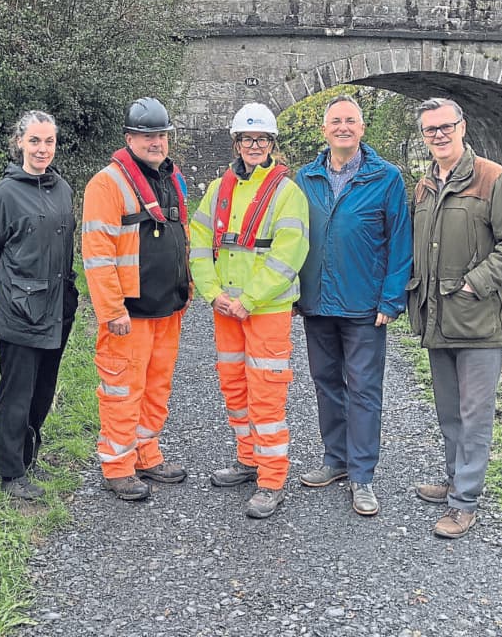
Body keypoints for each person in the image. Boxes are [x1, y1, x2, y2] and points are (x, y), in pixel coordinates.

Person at [408, 97, 502, 538]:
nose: (439, 135)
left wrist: (474, 282)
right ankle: (453, 481)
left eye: (445, 126)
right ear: (424, 136)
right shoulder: (424, 186)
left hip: (478, 321)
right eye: (430, 130)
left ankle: (465, 502)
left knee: (474, 414)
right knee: (448, 412)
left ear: (462, 127)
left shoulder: (493, 178)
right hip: (438, 318)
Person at [293, 95, 412, 517]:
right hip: (317, 302)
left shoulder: (386, 178)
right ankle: (335, 460)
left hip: (365, 306)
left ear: (362, 130)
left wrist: (392, 297)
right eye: (335, 121)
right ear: (324, 130)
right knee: (326, 383)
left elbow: (401, 241)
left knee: (363, 390)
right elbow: (291, 236)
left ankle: (362, 475)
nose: (342, 127)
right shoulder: (305, 178)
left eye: (351, 121)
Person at [189, 103, 309, 519]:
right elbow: (200, 242)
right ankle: (248, 457)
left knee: (267, 393)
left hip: (266, 309)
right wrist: (212, 293)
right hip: (226, 308)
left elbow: (288, 255)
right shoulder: (218, 188)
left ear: (272, 144)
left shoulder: (286, 192)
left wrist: (249, 299)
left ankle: (272, 478)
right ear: (236, 143)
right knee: (235, 387)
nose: (254, 146)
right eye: (247, 139)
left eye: (261, 140)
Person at [81, 97, 191, 501]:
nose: (155, 142)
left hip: (168, 307)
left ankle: (147, 453)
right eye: (147, 136)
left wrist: (186, 288)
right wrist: (111, 310)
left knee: (156, 389)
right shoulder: (106, 184)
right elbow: (97, 252)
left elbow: (181, 235)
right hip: (130, 312)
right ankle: (117, 465)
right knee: (122, 391)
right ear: (129, 138)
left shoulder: (172, 178)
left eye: (161, 135)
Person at [0, 111, 79, 501]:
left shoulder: (63, 189)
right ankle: (9, 471)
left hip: (56, 308)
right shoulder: (3, 194)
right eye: (34, 141)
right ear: (19, 142)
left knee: (43, 389)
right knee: (16, 392)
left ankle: (29, 456)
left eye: (48, 141)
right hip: (19, 310)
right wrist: (14, 291)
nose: (42, 149)